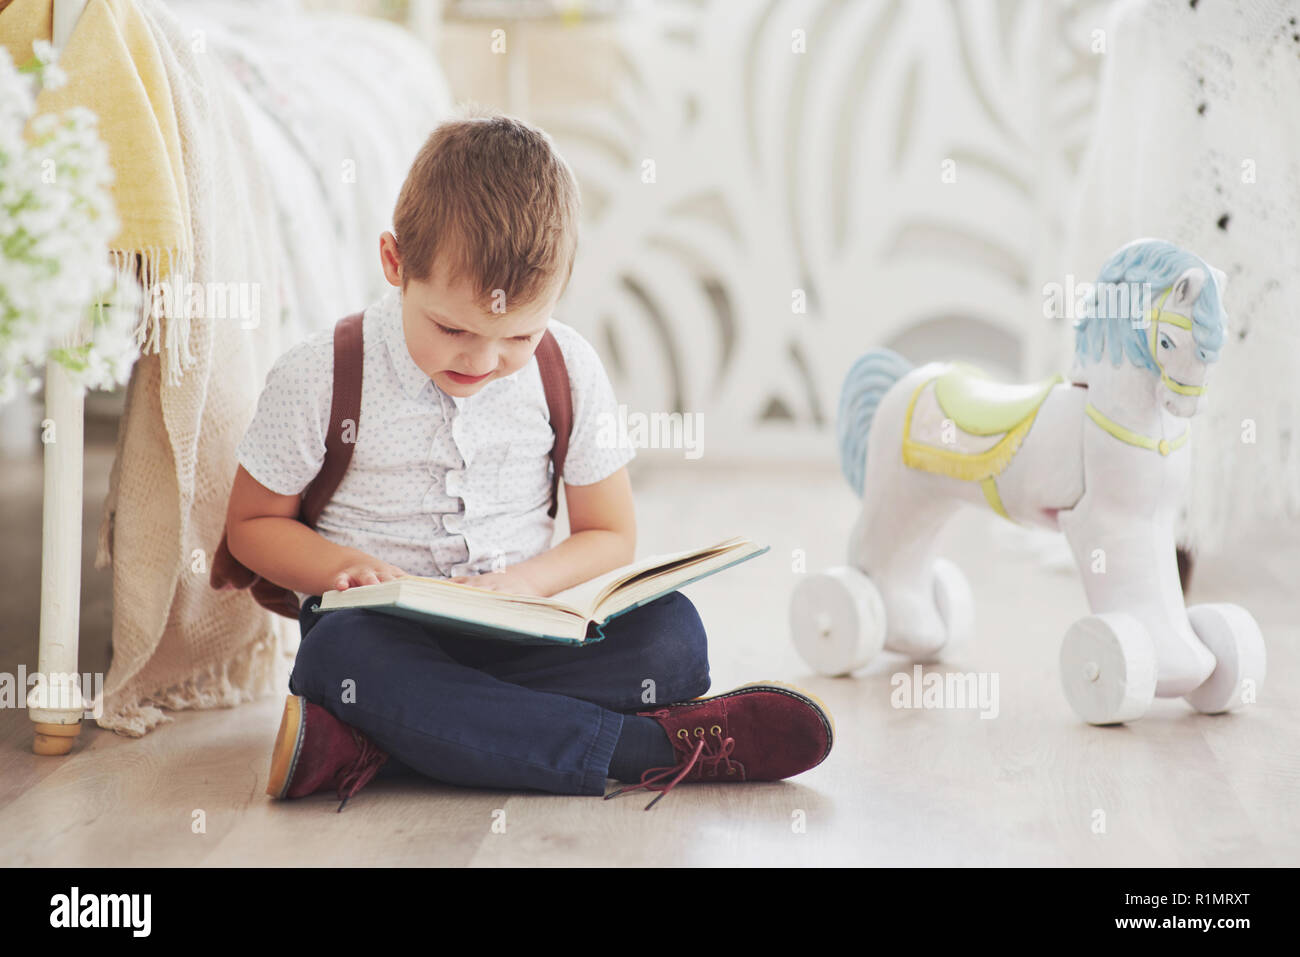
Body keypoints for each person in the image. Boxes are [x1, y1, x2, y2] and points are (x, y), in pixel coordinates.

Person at [223, 109, 834, 812]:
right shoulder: (322, 373)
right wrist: (339, 571)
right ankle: (651, 750)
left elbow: (609, 533)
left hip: (522, 632)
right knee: (335, 659)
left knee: (674, 640)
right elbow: (251, 526)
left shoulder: (567, 367)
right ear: (396, 264)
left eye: (515, 335)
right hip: (384, 638)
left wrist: (522, 585)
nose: (481, 360)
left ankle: (380, 740)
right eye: (452, 328)